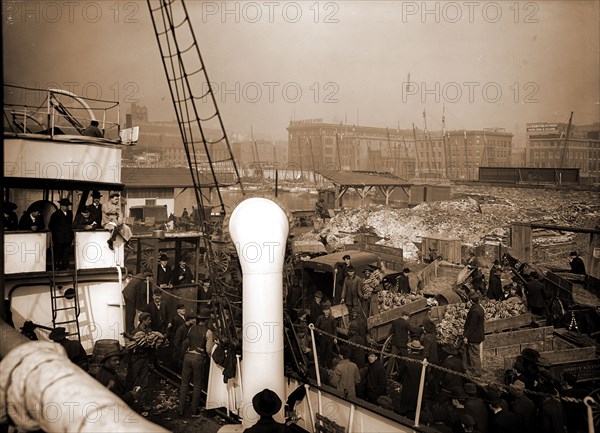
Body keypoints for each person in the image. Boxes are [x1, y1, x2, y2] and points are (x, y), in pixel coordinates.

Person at [178, 308, 214, 417]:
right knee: (197, 385)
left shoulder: (191, 328)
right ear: (207, 320)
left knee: (184, 384)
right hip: (198, 359)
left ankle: (181, 409)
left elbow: (187, 343)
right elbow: (208, 350)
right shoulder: (208, 332)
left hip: (188, 356)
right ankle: (194, 410)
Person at [386, 311, 422, 377]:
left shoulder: (395, 321)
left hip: (395, 343)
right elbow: (413, 330)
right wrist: (421, 329)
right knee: (406, 359)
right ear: (404, 316)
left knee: (391, 358)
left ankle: (387, 373)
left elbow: (391, 331)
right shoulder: (405, 323)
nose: (408, 318)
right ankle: (402, 374)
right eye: (408, 317)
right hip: (402, 345)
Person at [398, 340, 426, 417]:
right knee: (416, 400)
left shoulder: (407, 358)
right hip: (418, 384)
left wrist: (399, 380)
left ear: (411, 349)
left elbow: (401, 372)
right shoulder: (423, 360)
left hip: (407, 384)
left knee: (406, 401)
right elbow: (426, 374)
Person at [122, 269, 152, 334]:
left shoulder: (140, 277)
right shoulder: (142, 281)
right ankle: (130, 331)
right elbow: (141, 294)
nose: (152, 279)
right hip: (129, 295)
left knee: (131, 313)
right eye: (151, 277)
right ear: (148, 276)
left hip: (128, 294)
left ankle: (130, 329)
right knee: (131, 313)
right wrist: (141, 308)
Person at [48, 198, 74, 270]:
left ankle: (66, 265)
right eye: (65, 206)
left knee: (66, 252)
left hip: (68, 237)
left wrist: (71, 236)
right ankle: (57, 265)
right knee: (58, 252)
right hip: (58, 237)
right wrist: (55, 236)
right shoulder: (55, 214)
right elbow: (51, 226)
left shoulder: (70, 213)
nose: (66, 207)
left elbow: (70, 224)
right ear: (61, 206)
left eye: (67, 206)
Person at [463, 293, 485, 377]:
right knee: (474, 353)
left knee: (474, 354)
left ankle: (476, 372)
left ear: (471, 301)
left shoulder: (474, 311)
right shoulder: (480, 308)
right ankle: (475, 369)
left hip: (474, 336)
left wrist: (466, 336)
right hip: (478, 335)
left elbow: (472, 326)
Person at [315, 302, 337, 369]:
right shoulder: (320, 318)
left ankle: (329, 366)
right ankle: (322, 366)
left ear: (330, 311)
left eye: (328, 310)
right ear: (323, 311)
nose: (326, 312)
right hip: (322, 339)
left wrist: (335, 338)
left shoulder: (332, 318)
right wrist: (319, 333)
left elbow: (334, 329)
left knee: (329, 353)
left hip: (330, 339)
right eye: (325, 310)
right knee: (322, 352)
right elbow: (316, 327)